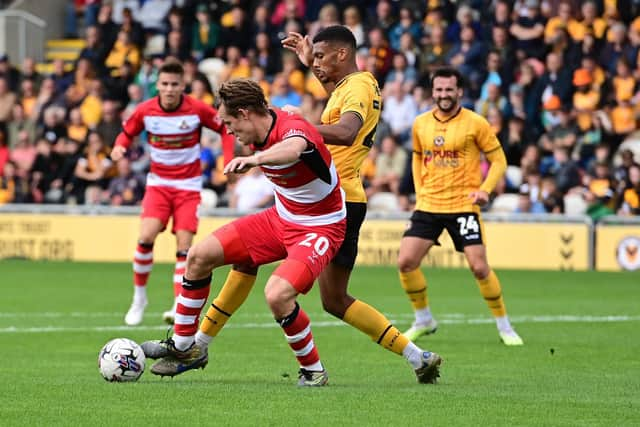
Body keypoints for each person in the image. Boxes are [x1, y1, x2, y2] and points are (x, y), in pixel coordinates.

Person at [180, 26, 443, 384]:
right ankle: (198, 344)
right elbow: (338, 117)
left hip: (336, 203)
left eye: (320, 57)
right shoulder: (348, 88)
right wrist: (308, 70)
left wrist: (297, 130)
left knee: (333, 299)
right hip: (314, 198)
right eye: (313, 58)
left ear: (342, 55)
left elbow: (347, 130)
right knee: (251, 261)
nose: (315, 64)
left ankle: (412, 355)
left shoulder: (361, 87)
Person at [141, 78, 350, 386]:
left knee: (277, 294)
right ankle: (186, 348)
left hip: (321, 226)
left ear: (244, 113)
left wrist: (255, 160)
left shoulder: (293, 129)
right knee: (199, 255)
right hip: (282, 218)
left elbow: (294, 149)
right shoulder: (263, 122)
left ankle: (313, 371)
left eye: (228, 122)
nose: (228, 130)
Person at [398, 67, 523, 346]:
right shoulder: (420, 123)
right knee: (405, 262)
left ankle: (504, 326)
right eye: (439, 90)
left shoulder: (476, 123)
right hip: (429, 204)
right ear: (433, 92)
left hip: (463, 206)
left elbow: (499, 161)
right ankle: (423, 319)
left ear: (459, 92)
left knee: (479, 267)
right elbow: (418, 158)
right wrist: (420, 192)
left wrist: (485, 190)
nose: (443, 95)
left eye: (449, 90)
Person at [110, 60, 234, 326]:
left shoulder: (196, 109)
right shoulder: (145, 110)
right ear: (157, 85)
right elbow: (126, 133)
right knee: (145, 237)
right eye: (164, 84)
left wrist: (228, 159)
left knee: (185, 247)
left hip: (188, 187)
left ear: (183, 85)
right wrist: (119, 147)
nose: (169, 89)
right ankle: (139, 298)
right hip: (159, 185)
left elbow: (224, 128)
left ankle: (179, 302)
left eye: (174, 84)